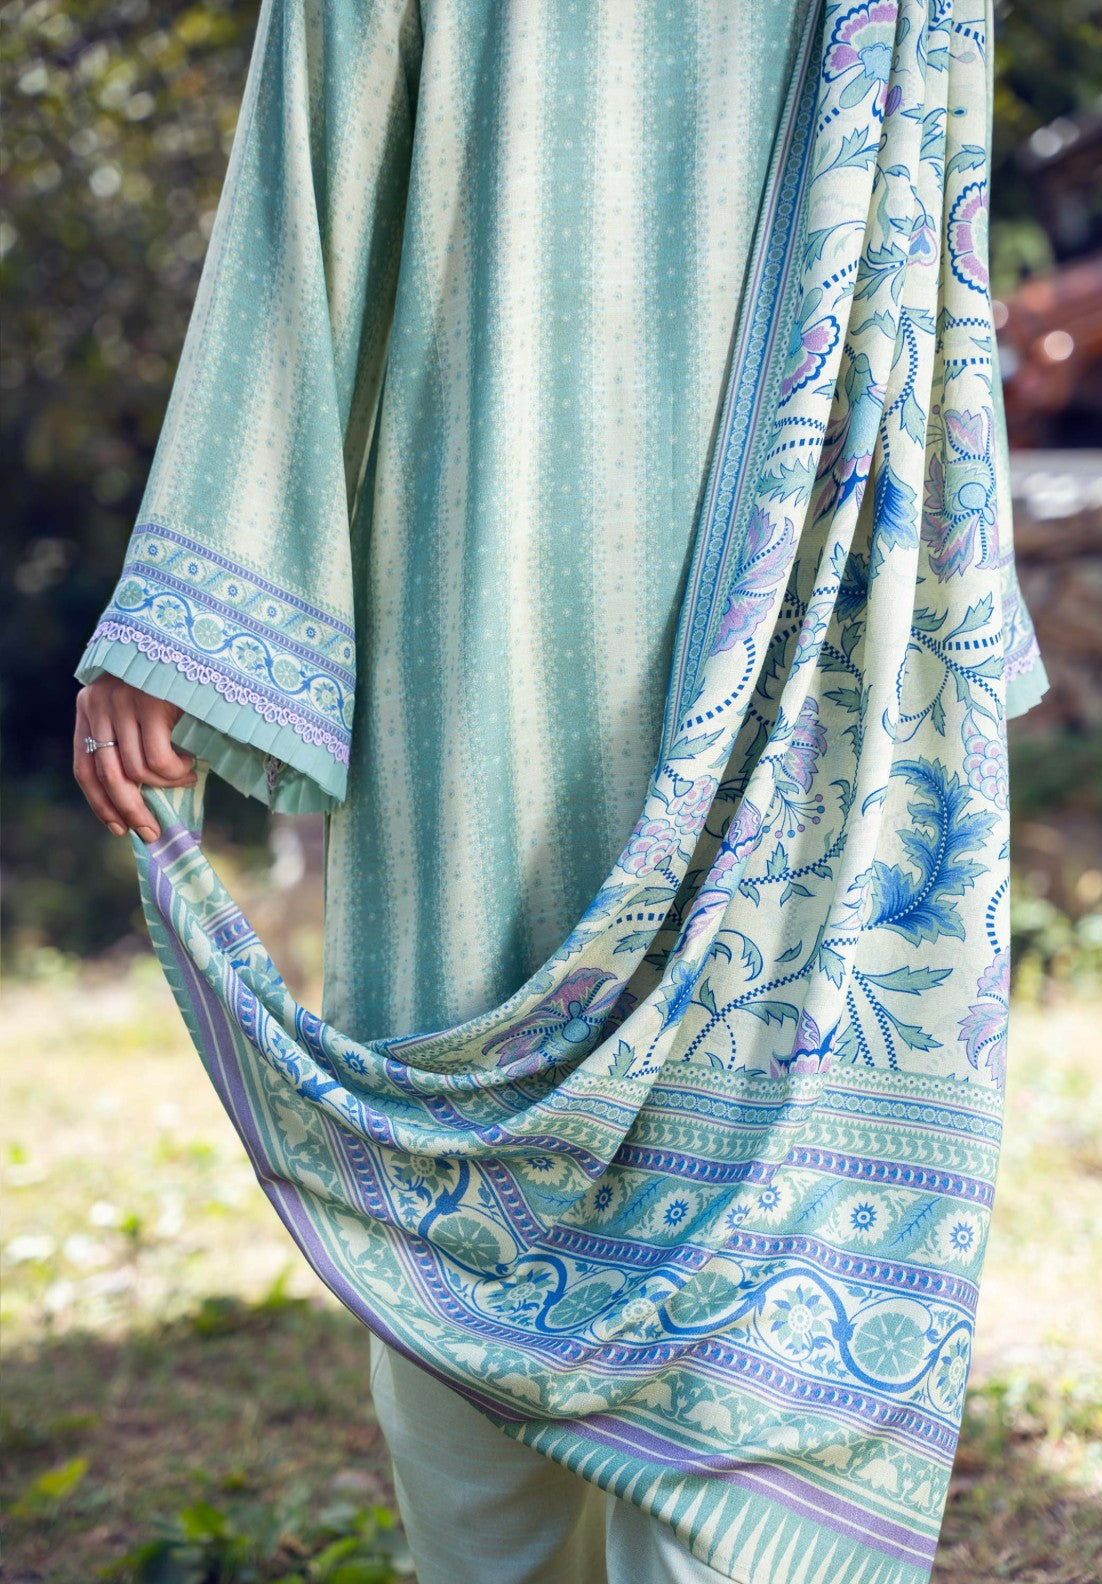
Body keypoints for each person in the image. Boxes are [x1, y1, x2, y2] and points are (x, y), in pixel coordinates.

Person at [74, 1, 1049, 1580]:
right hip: (496, 617)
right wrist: (188, 615)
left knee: (758, 1202)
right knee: (474, 1140)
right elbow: (308, 176)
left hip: (798, 616)